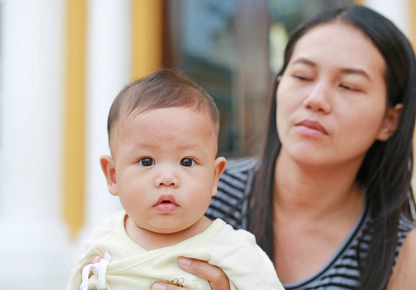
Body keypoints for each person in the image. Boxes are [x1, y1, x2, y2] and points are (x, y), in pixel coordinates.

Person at [151, 4, 416, 290]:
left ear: (389, 120)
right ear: (279, 86)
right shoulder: (202, 192)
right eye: (302, 76)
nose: (315, 99)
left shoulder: (405, 253)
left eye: (348, 86)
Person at [65, 69, 285, 290]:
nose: (167, 179)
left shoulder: (233, 251)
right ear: (113, 176)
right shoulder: (105, 237)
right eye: (147, 161)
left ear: (214, 177)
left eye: (187, 162)